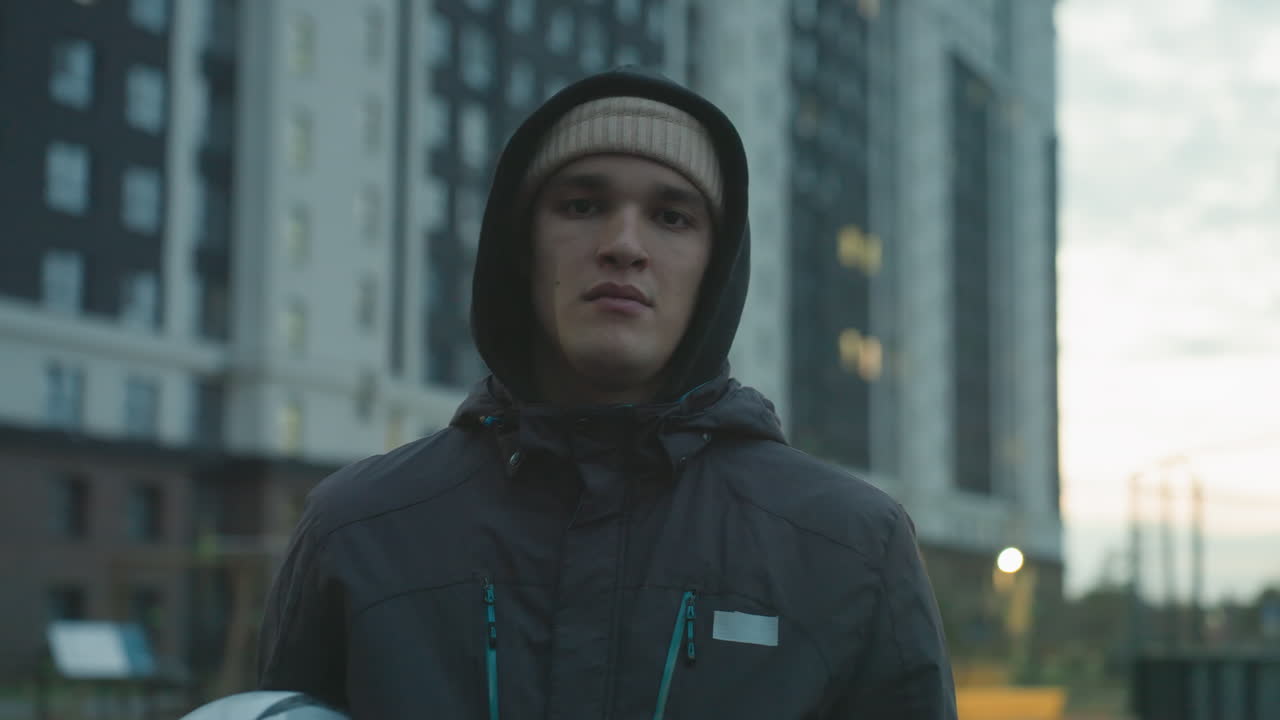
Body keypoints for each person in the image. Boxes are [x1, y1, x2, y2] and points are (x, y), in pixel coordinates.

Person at [257, 66, 956, 719]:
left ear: (716, 269)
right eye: (583, 204)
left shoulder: (849, 546)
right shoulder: (357, 530)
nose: (624, 243)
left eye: (673, 216)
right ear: (521, 247)